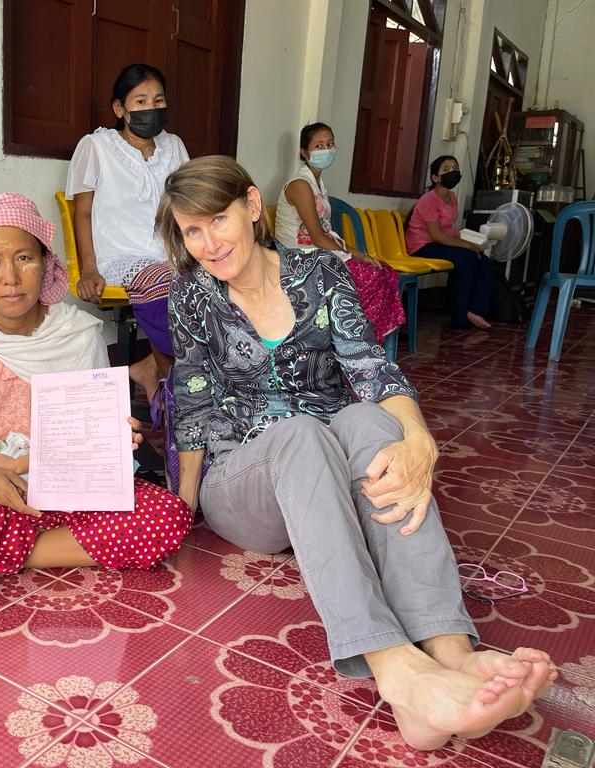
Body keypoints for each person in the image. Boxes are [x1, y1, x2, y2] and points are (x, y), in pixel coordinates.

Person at [156, 155, 556, 751]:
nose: (208, 243)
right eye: (192, 231)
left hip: (324, 475)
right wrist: (181, 509)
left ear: (252, 205)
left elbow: (370, 367)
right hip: (242, 483)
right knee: (301, 433)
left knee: (369, 417)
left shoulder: (320, 273)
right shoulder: (191, 296)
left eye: (218, 219)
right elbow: (192, 406)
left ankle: (450, 648)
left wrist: (419, 442)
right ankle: (396, 669)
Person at [0, 192, 192, 599]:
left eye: (24, 258)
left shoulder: (80, 335)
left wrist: (115, 440)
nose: (9, 277)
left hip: (67, 492)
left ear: (47, 263)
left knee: (167, 516)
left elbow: (91, 440)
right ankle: (47, 544)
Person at [66, 63, 189, 401]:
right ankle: (176, 396)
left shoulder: (174, 146)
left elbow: (187, 205)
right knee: (167, 283)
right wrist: (88, 269)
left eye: (159, 100)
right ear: (119, 108)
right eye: (141, 101)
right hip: (122, 259)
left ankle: (152, 367)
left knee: (224, 279)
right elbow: (84, 211)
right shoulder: (96, 147)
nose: (152, 108)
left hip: (171, 258)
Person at [274, 122, 405, 343]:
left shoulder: (318, 184)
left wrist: (355, 254)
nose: (326, 150)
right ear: (304, 152)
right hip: (300, 257)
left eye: (330, 144)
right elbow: (317, 237)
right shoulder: (300, 185)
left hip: (321, 251)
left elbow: (325, 234)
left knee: (385, 272)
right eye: (319, 146)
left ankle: (363, 340)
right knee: (371, 277)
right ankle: (351, 339)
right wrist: (358, 254)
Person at [406, 155, 493, 329]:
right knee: (467, 257)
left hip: (440, 242)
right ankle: (460, 317)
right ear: (435, 178)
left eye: (455, 168)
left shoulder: (452, 197)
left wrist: (468, 241)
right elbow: (436, 235)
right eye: (446, 169)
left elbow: (447, 228)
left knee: (484, 260)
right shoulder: (428, 200)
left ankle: (475, 310)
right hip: (422, 245)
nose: (452, 172)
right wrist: (468, 245)